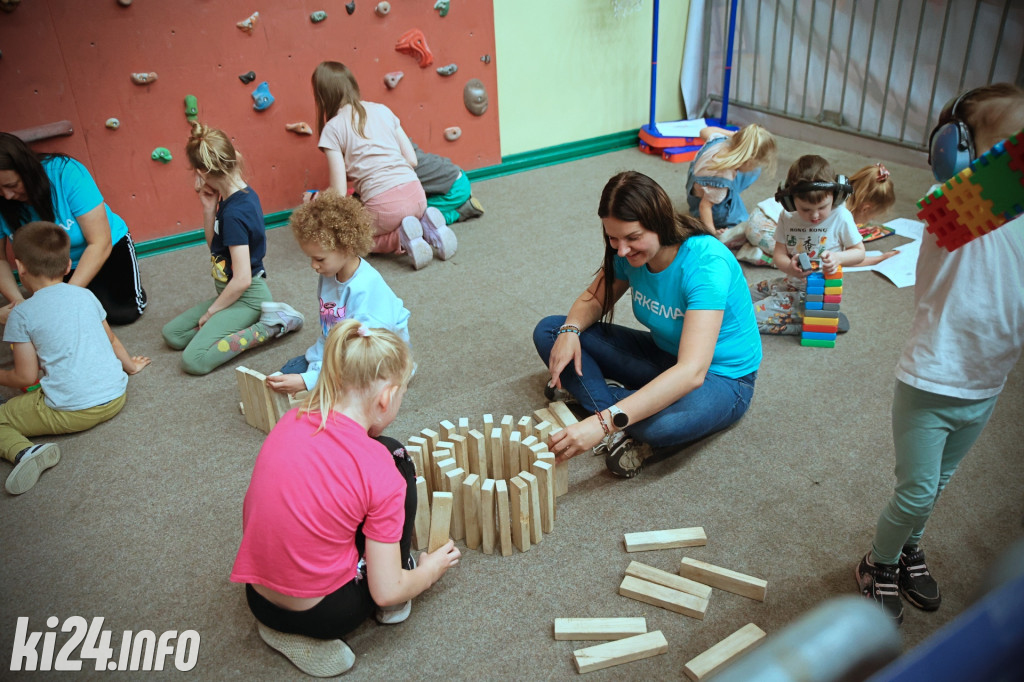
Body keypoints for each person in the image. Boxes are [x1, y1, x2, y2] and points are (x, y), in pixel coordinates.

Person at [854, 83, 1024, 625]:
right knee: (916, 490)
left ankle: (907, 549)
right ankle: (875, 562)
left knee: (938, 487)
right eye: (1011, 145)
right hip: (932, 381)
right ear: (959, 153)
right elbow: (983, 192)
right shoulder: (950, 215)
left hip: (986, 383)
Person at [231, 320, 461, 676]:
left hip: (257, 598)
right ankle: (394, 577)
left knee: (381, 457)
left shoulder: (292, 418)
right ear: (386, 398)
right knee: (397, 458)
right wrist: (430, 572)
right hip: (326, 614)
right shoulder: (380, 472)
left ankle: (278, 626)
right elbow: (384, 592)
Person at [532, 171, 761, 479]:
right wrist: (571, 331)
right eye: (613, 238)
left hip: (723, 378)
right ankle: (617, 407)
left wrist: (599, 425)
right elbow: (594, 299)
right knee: (552, 331)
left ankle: (603, 404)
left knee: (659, 426)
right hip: (664, 354)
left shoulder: (706, 265)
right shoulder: (627, 253)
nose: (622, 250)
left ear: (660, 222)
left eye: (632, 238)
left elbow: (692, 371)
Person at [0, 221, 150, 495]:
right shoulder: (85, 295)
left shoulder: (21, 314)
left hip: (72, 411)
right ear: (68, 265)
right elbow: (112, 339)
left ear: (20, 267)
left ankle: (24, 452)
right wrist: (132, 366)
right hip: (116, 396)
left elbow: (26, 377)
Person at [161, 121, 304, 376]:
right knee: (173, 335)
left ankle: (271, 325)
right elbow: (217, 248)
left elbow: (242, 280)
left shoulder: (235, 214)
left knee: (194, 361)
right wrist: (208, 208)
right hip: (230, 293)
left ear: (203, 170)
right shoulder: (232, 196)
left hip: (247, 298)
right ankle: (228, 324)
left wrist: (211, 312)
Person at [310, 61, 457, 270]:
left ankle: (400, 237)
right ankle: (423, 224)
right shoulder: (383, 110)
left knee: (354, 240)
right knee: (399, 212)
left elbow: (339, 192)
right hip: (416, 194)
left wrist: (315, 199)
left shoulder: (333, 128)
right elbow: (412, 160)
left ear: (322, 96)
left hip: (383, 207)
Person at [265, 188, 411, 395]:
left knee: (328, 396)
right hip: (340, 348)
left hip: (376, 358)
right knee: (288, 373)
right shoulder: (329, 273)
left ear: (347, 247)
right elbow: (331, 330)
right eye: (311, 258)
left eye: (319, 259)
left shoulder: (366, 291)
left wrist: (311, 379)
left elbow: (365, 355)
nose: (313, 266)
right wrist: (314, 366)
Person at [0, 132, 147, 325]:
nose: (7, 196)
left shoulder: (66, 172)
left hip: (103, 248)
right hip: (51, 264)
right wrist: (17, 301)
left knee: (121, 313)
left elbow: (100, 241)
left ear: (26, 170)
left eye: (12, 185)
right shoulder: (3, 198)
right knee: (60, 317)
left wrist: (65, 297)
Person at [749, 155, 865, 335]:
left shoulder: (841, 216)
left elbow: (859, 252)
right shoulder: (786, 216)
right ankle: (798, 314)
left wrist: (838, 257)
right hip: (789, 281)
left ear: (836, 196)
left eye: (822, 207)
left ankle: (808, 323)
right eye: (806, 209)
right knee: (742, 296)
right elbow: (779, 254)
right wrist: (789, 266)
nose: (815, 216)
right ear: (790, 201)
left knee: (748, 319)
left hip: (815, 295)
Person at [732, 163, 897, 268]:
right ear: (866, 208)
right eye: (872, 217)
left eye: (822, 208)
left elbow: (846, 252)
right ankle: (756, 254)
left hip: (759, 216)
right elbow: (838, 258)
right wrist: (876, 259)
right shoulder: (829, 205)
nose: (816, 215)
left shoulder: (830, 199)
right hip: (765, 225)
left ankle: (742, 235)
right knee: (805, 259)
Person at [686, 124, 777, 234]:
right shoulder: (721, 177)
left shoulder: (720, 139)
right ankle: (727, 214)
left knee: (754, 172)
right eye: (754, 164)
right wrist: (712, 232)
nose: (755, 167)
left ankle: (729, 194)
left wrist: (734, 135)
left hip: (698, 183)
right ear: (748, 160)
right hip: (704, 202)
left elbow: (704, 131)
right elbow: (704, 206)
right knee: (743, 223)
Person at [411, 141, 484, 225]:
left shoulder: (404, 165)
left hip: (455, 190)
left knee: (415, 220)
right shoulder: (409, 148)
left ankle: (461, 211)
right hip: (458, 178)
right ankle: (461, 200)